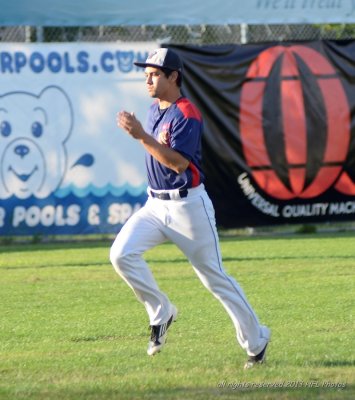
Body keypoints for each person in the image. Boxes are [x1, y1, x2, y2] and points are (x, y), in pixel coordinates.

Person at [110, 48, 270, 369]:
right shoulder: (156, 110)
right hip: (155, 204)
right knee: (121, 254)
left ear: (173, 76)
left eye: (155, 74)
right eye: (146, 74)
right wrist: (143, 133)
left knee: (214, 278)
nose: (149, 79)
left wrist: (140, 135)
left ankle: (256, 341)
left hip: (188, 207)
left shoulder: (187, 114)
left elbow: (178, 163)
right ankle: (161, 311)